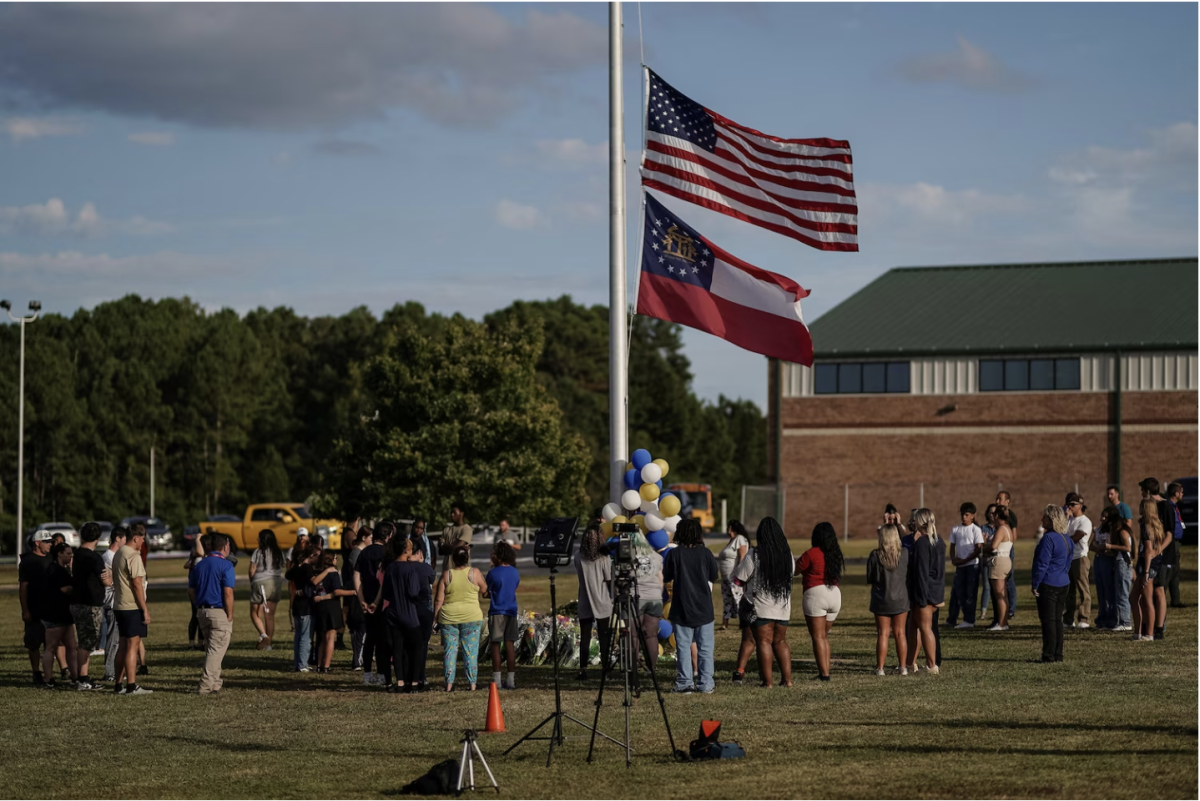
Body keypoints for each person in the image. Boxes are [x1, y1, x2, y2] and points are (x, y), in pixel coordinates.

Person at [732, 517, 794, 688]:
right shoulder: (787, 554)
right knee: (780, 641)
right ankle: (787, 680)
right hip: (783, 606)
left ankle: (768, 682)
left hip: (762, 605)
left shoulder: (755, 554)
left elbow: (739, 579)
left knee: (764, 642)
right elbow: (792, 573)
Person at [661, 519, 718, 694]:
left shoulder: (674, 554)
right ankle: (706, 683)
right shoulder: (706, 553)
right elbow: (714, 576)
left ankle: (685, 683)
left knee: (683, 648)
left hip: (681, 606)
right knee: (705, 648)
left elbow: (667, 575)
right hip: (704, 607)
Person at [433, 543, 487, 691]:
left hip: (449, 618)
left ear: (453, 559)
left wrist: (435, 619)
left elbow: (438, 600)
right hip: (471, 617)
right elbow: (484, 589)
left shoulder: (446, 575)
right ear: (467, 558)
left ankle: (449, 684)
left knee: (450, 651)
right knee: (470, 651)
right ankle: (472, 684)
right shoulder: (474, 573)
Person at [372, 537, 423, 693]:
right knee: (417, 647)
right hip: (409, 614)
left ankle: (400, 681)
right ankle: (414, 682)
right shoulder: (410, 569)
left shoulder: (391, 568)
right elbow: (414, 592)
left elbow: (386, 592)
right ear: (406, 550)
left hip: (393, 614)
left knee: (397, 648)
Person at [187, 533, 236, 694]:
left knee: (212, 648)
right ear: (225, 546)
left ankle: (215, 682)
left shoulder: (199, 565)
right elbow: (228, 592)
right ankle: (205, 685)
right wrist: (229, 614)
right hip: (218, 611)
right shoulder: (226, 565)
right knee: (216, 650)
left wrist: (199, 605)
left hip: (202, 611)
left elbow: (191, 591)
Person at [797, 522, 845, 682]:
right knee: (824, 636)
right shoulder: (835, 553)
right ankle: (825, 671)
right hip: (834, 595)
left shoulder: (811, 553)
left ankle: (824, 674)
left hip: (815, 594)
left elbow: (795, 570)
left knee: (818, 637)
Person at [112, 524, 152, 694]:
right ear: (136, 538)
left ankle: (118, 684)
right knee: (132, 646)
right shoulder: (133, 556)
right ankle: (131, 685)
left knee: (122, 645)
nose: (143, 542)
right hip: (131, 606)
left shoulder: (119, 553)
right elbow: (137, 584)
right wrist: (145, 609)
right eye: (142, 538)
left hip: (119, 605)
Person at [70, 522, 110, 690]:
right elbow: (106, 581)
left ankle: (81, 676)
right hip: (90, 604)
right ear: (98, 538)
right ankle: (83, 678)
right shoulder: (95, 558)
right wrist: (112, 575)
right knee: (87, 642)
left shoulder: (78, 554)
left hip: (77, 602)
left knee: (83, 640)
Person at [905, 508, 944, 674]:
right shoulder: (939, 540)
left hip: (924, 592)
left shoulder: (922, 542)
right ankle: (909, 663)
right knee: (912, 627)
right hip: (935, 589)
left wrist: (921, 597)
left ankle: (931, 665)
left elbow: (921, 572)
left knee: (925, 628)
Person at [1032, 505, 1073, 662]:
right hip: (1063, 582)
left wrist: (1035, 583)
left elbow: (1042, 563)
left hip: (1048, 583)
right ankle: (1058, 654)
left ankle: (1048, 655)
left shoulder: (1048, 538)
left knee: (1048, 620)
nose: (1042, 519)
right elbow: (1068, 562)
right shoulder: (1067, 539)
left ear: (1052, 520)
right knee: (1057, 620)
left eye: (1044, 517)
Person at [868, 523, 909, 675]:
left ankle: (880, 668)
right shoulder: (904, 553)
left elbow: (871, 578)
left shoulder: (875, 555)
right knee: (900, 633)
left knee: (883, 633)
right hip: (901, 598)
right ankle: (903, 667)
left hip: (881, 599)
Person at [575, 522, 613, 681]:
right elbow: (609, 578)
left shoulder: (578, 556)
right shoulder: (605, 557)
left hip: (584, 598)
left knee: (585, 637)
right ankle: (605, 670)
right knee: (604, 637)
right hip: (602, 599)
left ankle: (583, 670)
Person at [355, 523, 389, 685]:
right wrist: (377, 601)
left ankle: (367, 674)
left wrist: (362, 600)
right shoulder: (387, 553)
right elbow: (385, 579)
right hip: (382, 602)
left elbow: (356, 577)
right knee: (382, 639)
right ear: (387, 537)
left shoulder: (364, 553)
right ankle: (382, 673)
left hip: (366, 599)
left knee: (370, 638)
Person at [19, 529, 54, 686]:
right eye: (47, 542)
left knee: (50, 643)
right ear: (37, 543)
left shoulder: (51, 558)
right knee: (34, 643)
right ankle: (36, 672)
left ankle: (49, 674)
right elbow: (23, 587)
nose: (50, 544)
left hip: (50, 608)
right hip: (34, 609)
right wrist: (25, 610)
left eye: (50, 542)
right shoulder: (28, 562)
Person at [42, 543, 79, 689]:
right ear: (59, 554)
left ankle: (75, 677)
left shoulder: (62, 570)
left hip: (64, 614)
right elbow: (65, 589)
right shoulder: (55, 571)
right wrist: (77, 587)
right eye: (68, 554)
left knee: (71, 647)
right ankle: (49, 679)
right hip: (54, 615)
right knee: (51, 647)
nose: (71, 556)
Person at [310, 551, 355, 673]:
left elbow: (314, 583)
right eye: (335, 558)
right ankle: (326, 666)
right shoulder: (333, 573)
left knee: (322, 638)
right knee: (330, 637)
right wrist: (353, 592)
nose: (337, 560)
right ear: (330, 560)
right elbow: (336, 592)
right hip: (332, 607)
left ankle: (319, 665)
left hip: (320, 607)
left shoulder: (318, 572)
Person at [485, 542, 521, 690]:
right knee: (509, 645)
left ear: (497, 556)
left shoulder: (493, 573)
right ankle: (511, 680)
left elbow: (487, 592)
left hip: (497, 611)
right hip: (511, 610)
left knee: (495, 645)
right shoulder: (515, 572)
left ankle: (497, 681)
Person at [1133, 495, 1170, 641]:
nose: (1139, 508)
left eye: (1142, 506)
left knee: (1147, 600)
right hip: (1147, 564)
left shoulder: (1147, 526)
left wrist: (1147, 572)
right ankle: (1138, 632)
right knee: (1134, 598)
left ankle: (1149, 634)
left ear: (1146, 509)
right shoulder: (1155, 524)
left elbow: (1148, 550)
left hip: (1148, 566)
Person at [632, 530, 665, 675]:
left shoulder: (628, 556)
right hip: (655, 598)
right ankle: (651, 668)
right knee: (651, 635)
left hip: (635, 597)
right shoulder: (656, 557)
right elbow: (661, 580)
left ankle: (632, 668)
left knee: (632, 635)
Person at [947, 503, 984, 629]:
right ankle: (953, 618)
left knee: (970, 593)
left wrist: (966, 560)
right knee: (958, 592)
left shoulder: (976, 529)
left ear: (973, 516)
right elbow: (952, 546)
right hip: (960, 566)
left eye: (967, 515)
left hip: (972, 566)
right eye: (962, 514)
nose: (964, 517)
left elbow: (978, 549)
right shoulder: (955, 529)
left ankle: (969, 620)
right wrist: (953, 559)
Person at [285, 546, 320, 672]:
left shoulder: (297, 568)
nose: (318, 558)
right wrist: (328, 572)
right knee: (306, 637)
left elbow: (288, 575)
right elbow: (314, 581)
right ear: (311, 555)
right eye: (317, 555)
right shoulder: (307, 568)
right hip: (306, 606)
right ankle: (302, 665)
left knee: (298, 636)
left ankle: (298, 663)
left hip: (297, 605)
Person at [249, 529, 284, 651]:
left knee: (254, 613)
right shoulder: (279, 553)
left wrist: (252, 583)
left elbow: (252, 570)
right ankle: (268, 644)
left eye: (259, 537)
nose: (257, 540)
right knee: (269, 616)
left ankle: (264, 636)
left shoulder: (258, 552)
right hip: (276, 584)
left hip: (261, 583)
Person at [1062, 493, 1093, 629]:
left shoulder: (1085, 521)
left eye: (1073, 504)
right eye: (1068, 504)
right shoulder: (1068, 520)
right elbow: (1059, 532)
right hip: (1068, 558)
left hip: (1079, 558)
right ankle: (1068, 619)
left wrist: (1063, 540)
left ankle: (1084, 618)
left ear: (1080, 505)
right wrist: (1065, 518)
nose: (1070, 507)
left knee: (1083, 590)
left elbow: (1076, 537)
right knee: (1069, 591)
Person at [343, 528, 371, 670]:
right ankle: (357, 660)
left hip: (360, 593)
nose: (371, 540)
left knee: (361, 628)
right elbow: (356, 576)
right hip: (356, 594)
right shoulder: (356, 554)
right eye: (370, 537)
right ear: (364, 537)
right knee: (359, 627)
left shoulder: (362, 553)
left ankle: (359, 657)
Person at [982, 506, 1015, 630]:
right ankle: (1003, 622)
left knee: (999, 595)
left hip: (999, 561)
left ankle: (1001, 624)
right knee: (1003, 594)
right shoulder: (1008, 528)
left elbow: (993, 546)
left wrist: (984, 546)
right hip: (1006, 560)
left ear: (997, 516)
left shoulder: (1002, 528)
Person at [101, 527, 127, 682]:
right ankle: (110, 672)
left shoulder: (115, 556)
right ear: (118, 539)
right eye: (124, 539)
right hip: (112, 602)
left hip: (120, 601)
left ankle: (116, 670)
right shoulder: (109, 557)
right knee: (113, 639)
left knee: (119, 639)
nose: (125, 543)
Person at [716, 521, 750, 630]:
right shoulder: (731, 541)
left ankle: (744, 623)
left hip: (735, 577)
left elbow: (742, 557)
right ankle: (724, 624)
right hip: (726, 577)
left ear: (730, 528)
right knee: (727, 600)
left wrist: (739, 575)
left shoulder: (740, 539)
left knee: (738, 599)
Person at [996, 491, 1019, 621]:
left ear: (1007, 501)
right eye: (997, 499)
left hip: (1006, 549)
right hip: (999, 549)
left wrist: (1006, 547)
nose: (998, 501)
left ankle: (1011, 609)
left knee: (1009, 580)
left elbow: (1014, 535)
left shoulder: (1010, 515)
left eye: (1000, 499)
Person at [184, 534, 206, 650]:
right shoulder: (198, 557)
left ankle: (199, 642)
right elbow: (200, 554)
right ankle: (195, 642)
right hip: (197, 590)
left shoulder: (197, 559)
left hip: (198, 589)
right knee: (197, 616)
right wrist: (198, 539)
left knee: (199, 616)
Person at [1165, 482, 1186, 608]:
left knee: (1175, 571)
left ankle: (1175, 600)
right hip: (1170, 542)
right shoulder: (1169, 507)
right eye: (1181, 492)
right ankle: (1160, 596)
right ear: (1176, 493)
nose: (1182, 494)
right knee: (1169, 571)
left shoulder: (1175, 507)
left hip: (1176, 543)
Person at [440, 503, 473, 570]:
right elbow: (440, 550)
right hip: (448, 570)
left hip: (463, 570)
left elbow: (457, 547)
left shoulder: (466, 529)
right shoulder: (447, 529)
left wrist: (445, 545)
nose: (452, 515)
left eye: (454, 512)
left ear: (461, 513)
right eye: (451, 512)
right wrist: (455, 544)